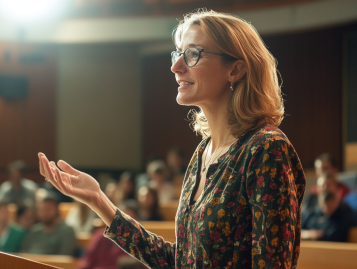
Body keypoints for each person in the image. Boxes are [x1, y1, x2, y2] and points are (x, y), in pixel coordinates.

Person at [38, 9, 306, 269]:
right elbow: (180, 262)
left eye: (192, 54)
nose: (176, 67)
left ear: (235, 70)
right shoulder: (203, 152)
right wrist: (97, 199)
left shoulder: (266, 148)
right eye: (178, 54)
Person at [77, 200, 139, 269]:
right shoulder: (100, 237)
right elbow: (86, 263)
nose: (124, 224)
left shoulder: (137, 244)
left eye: (129, 221)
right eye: (122, 218)